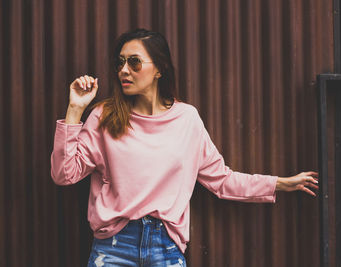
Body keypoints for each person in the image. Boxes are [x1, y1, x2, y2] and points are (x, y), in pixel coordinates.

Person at [50, 28, 319, 267]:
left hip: (165, 248)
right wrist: (75, 109)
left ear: (159, 69)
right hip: (113, 248)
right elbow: (64, 174)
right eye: (120, 63)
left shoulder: (186, 119)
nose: (123, 70)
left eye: (134, 62)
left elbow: (222, 180)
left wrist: (279, 183)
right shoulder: (104, 116)